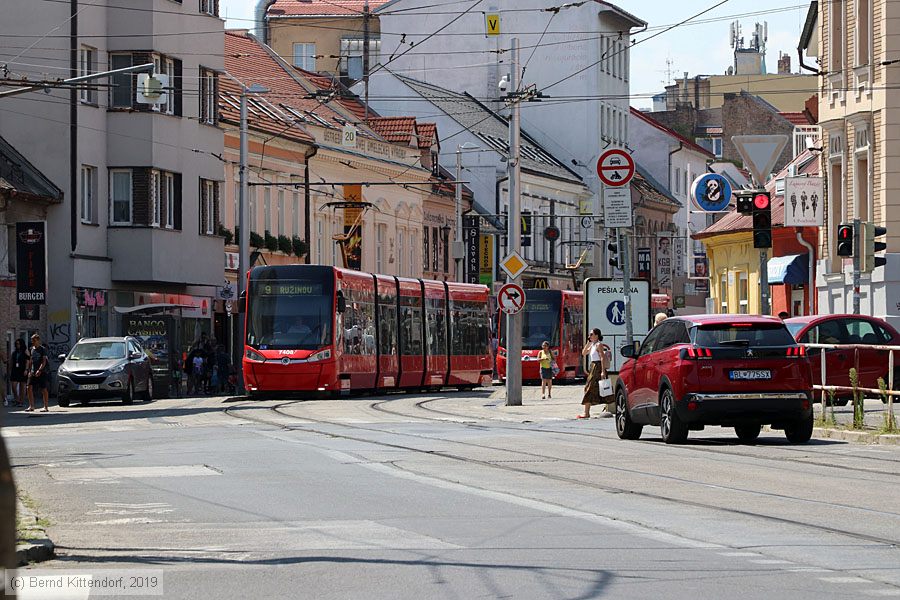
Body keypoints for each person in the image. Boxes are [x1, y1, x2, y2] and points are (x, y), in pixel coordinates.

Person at [579, 328, 611, 419]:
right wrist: (588, 342)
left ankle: (586, 412)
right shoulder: (592, 345)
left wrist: (602, 371)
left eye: (591, 334)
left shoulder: (598, 345)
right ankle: (586, 412)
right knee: (589, 388)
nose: (590, 336)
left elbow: (602, 357)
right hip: (593, 367)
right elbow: (584, 353)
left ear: (597, 335)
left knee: (589, 388)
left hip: (597, 367)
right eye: (589, 334)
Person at [26, 334, 49, 412]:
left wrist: (40, 370)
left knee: (43, 389)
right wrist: (29, 370)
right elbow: (31, 361)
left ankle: (45, 406)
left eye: (34, 340)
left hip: (42, 371)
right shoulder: (31, 349)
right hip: (32, 371)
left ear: (38, 340)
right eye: (32, 340)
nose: (33, 342)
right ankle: (31, 406)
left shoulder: (42, 349)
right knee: (28, 387)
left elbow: (44, 361)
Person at [8, 339, 29, 408]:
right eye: (16, 344)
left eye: (19, 344)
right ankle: (16, 399)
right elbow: (11, 361)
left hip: (22, 370)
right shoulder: (14, 352)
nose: (18, 345)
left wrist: (26, 369)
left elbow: (28, 361)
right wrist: (9, 370)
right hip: (15, 370)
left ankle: (21, 401)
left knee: (22, 386)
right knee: (13, 385)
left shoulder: (25, 351)